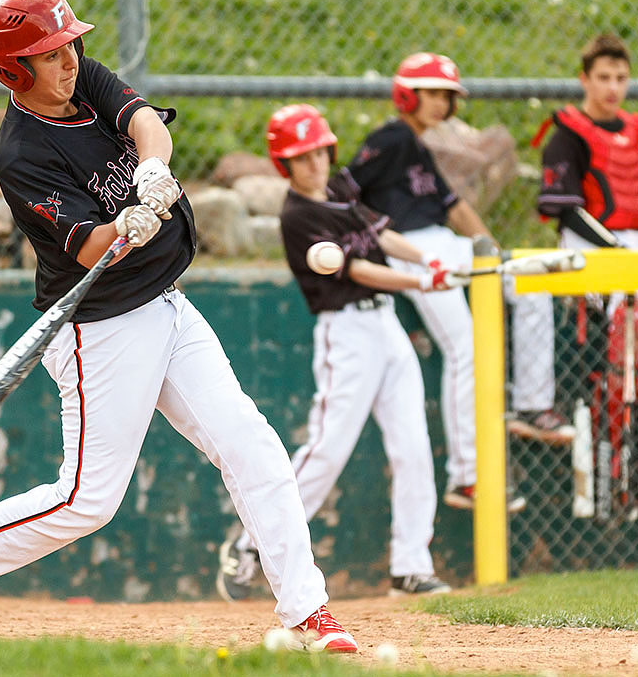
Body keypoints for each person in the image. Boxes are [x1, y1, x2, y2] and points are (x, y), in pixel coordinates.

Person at [0, 0, 358, 654]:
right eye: (48, 55)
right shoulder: (20, 153)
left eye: (69, 47)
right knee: (86, 500)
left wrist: (151, 169)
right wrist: (127, 225)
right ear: (11, 71)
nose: (68, 62)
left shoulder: (80, 77)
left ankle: (308, 614)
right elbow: (90, 247)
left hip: (168, 306)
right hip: (104, 327)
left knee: (252, 445)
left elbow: (146, 121)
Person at [217, 104, 459, 602]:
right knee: (327, 451)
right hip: (346, 335)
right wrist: (420, 282)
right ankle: (250, 544)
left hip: (386, 326)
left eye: (319, 153)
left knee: (413, 447)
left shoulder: (340, 190)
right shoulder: (296, 216)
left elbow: (379, 234)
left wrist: (431, 259)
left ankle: (411, 566)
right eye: (301, 157)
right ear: (285, 164)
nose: (315, 164)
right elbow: (358, 269)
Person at [346, 52, 525, 512]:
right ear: (407, 95)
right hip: (411, 249)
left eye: (449, 96)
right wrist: (373, 238)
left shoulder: (417, 145)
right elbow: (343, 190)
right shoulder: (389, 138)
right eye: (434, 93)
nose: (444, 103)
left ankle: (529, 402)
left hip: (443, 241)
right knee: (464, 347)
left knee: (524, 281)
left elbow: (455, 207)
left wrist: (493, 251)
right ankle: (466, 475)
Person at [512, 33, 638, 440]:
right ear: (584, 79)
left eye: (620, 77)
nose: (613, 87)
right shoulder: (568, 133)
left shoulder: (635, 130)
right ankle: (536, 405)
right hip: (592, 243)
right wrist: (616, 249)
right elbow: (565, 209)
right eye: (603, 77)